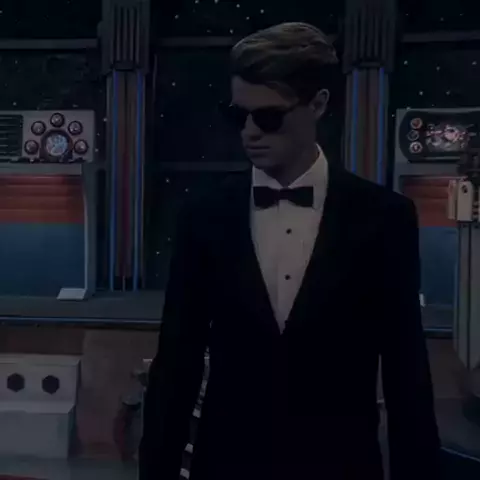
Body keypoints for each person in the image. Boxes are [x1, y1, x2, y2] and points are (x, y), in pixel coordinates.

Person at [139, 22, 441, 480]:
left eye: (268, 117)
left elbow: (406, 371)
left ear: (317, 104)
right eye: (237, 115)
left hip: (340, 467)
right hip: (227, 466)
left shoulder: (384, 217)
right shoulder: (204, 216)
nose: (249, 133)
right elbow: (177, 361)